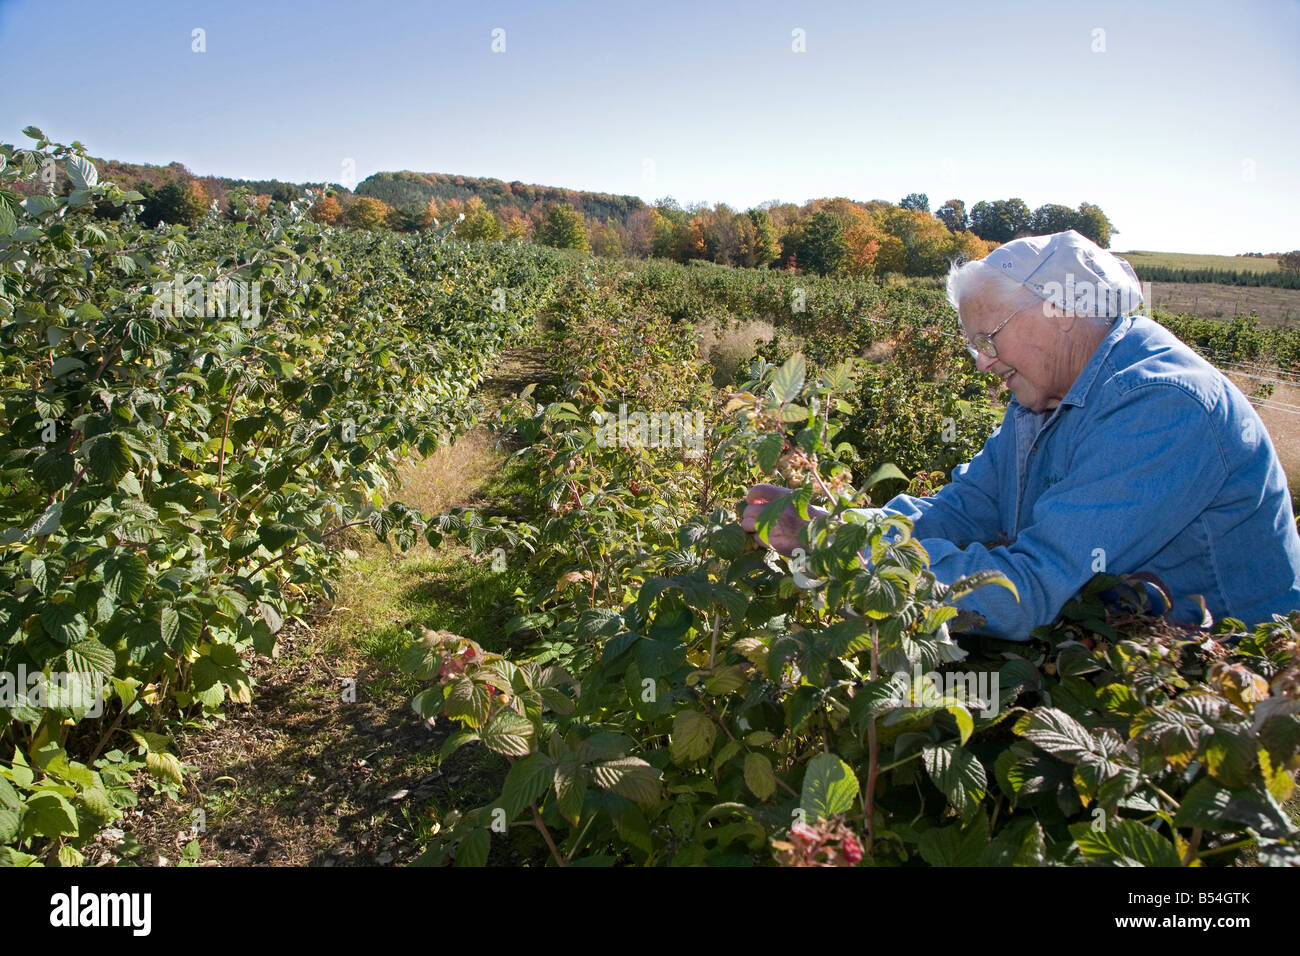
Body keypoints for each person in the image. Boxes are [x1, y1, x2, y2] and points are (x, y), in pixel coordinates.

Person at [740, 229, 1300, 641]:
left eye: (989, 338)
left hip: (1215, 688)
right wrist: (833, 525)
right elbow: (962, 510)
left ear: (1061, 311)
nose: (982, 363)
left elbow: (1030, 588)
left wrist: (842, 554)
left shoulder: (1161, 405)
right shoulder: (1045, 393)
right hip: (1120, 653)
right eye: (973, 345)